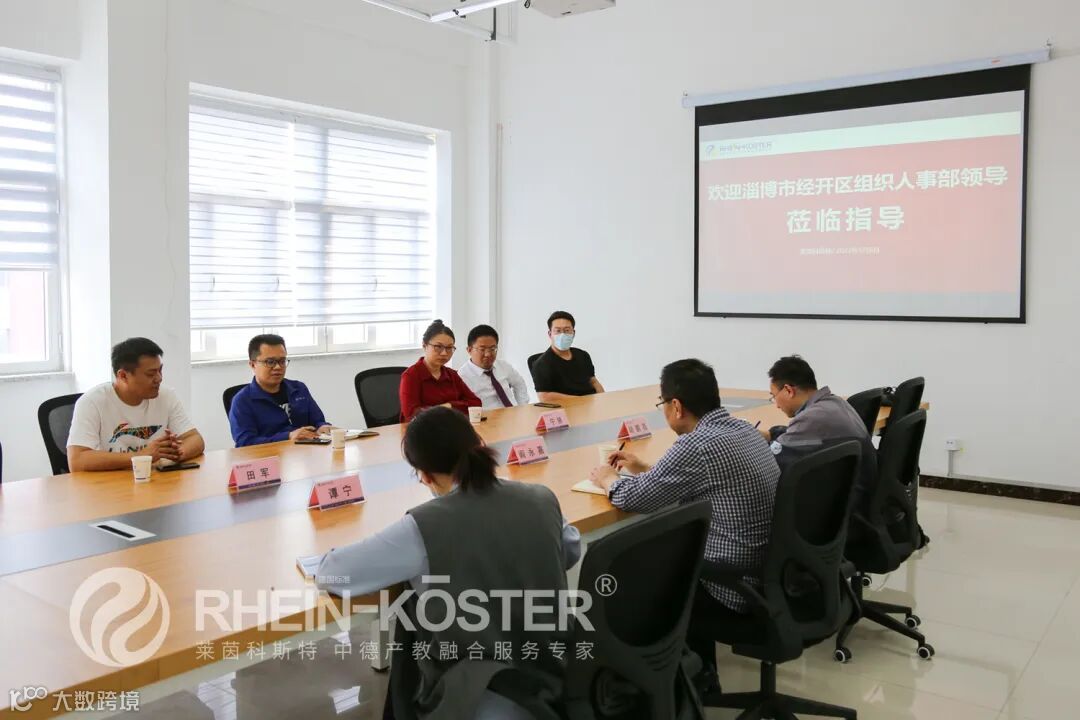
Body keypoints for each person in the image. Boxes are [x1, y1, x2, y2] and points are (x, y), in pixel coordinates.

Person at [316, 407, 581, 719]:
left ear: (425, 476)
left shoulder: (423, 527)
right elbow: (569, 550)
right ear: (480, 444)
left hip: (477, 690)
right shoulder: (541, 497)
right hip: (556, 671)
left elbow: (333, 573)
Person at [587, 358, 778, 686]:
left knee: (636, 575)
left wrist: (606, 478)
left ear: (676, 406)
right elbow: (704, 479)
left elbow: (633, 499)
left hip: (731, 584)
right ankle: (701, 674)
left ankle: (678, 681)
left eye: (662, 403)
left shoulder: (696, 445)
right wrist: (646, 469)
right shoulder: (743, 429)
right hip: (765, 576)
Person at [67, 337, 205, 472]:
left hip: (154, 481)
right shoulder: (92, 402)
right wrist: (142, 457)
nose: (159, 378)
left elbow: (195, 439)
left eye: (160, 370)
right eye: (150, 374)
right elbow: (77, 460)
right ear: (123, 376)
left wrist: (173, 453)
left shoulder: (166, 395)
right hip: (109, 483)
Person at [763, 355, 876, 509]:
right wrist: (771, 434)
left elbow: (770, 463)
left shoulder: (812, 417)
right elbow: (804, 436)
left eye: (773, 396)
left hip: (845, 505)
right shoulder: (833, 403)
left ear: (788, 390)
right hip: (857, 496)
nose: (776, 405)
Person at [228, 334, 333, 447]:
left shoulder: (298, 389)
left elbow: (318, 421)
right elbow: (245, 442)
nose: (278, 367)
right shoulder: (242, 401)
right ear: (253, 365)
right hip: (269, 456)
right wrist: (288, 436)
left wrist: (323, 427)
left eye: (282, 361)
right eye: (270, 362)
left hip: (306, 453)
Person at [399, 320, 482, 421]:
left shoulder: (452, 374)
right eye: (438, 347)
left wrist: (450, 405)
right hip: (422, 428)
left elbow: (475, 403)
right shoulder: (411, 375)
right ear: (424, 346)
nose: (444, 353)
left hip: (451, 425)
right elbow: (411, 414)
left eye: (449, 348)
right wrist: (445, 409)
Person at [529, 311, 604, 403]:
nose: (562, 335)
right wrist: (582, 401)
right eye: (558, 331)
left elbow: (593, 381)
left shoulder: (583, 355)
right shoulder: (541, 364)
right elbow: (544, 397)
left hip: (590, 404)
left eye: (567, 330)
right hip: (566, 408)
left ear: (573, 333)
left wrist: (603, 399)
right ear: (550, 334)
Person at [457, 324, 530, 410]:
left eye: (492, 349)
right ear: (469, 350)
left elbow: (519, 383)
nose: (488, 354)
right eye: (482, 349)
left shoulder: (503, 365)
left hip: (513, 413)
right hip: (487, 417)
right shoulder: (461, 377)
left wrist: (522, 407)